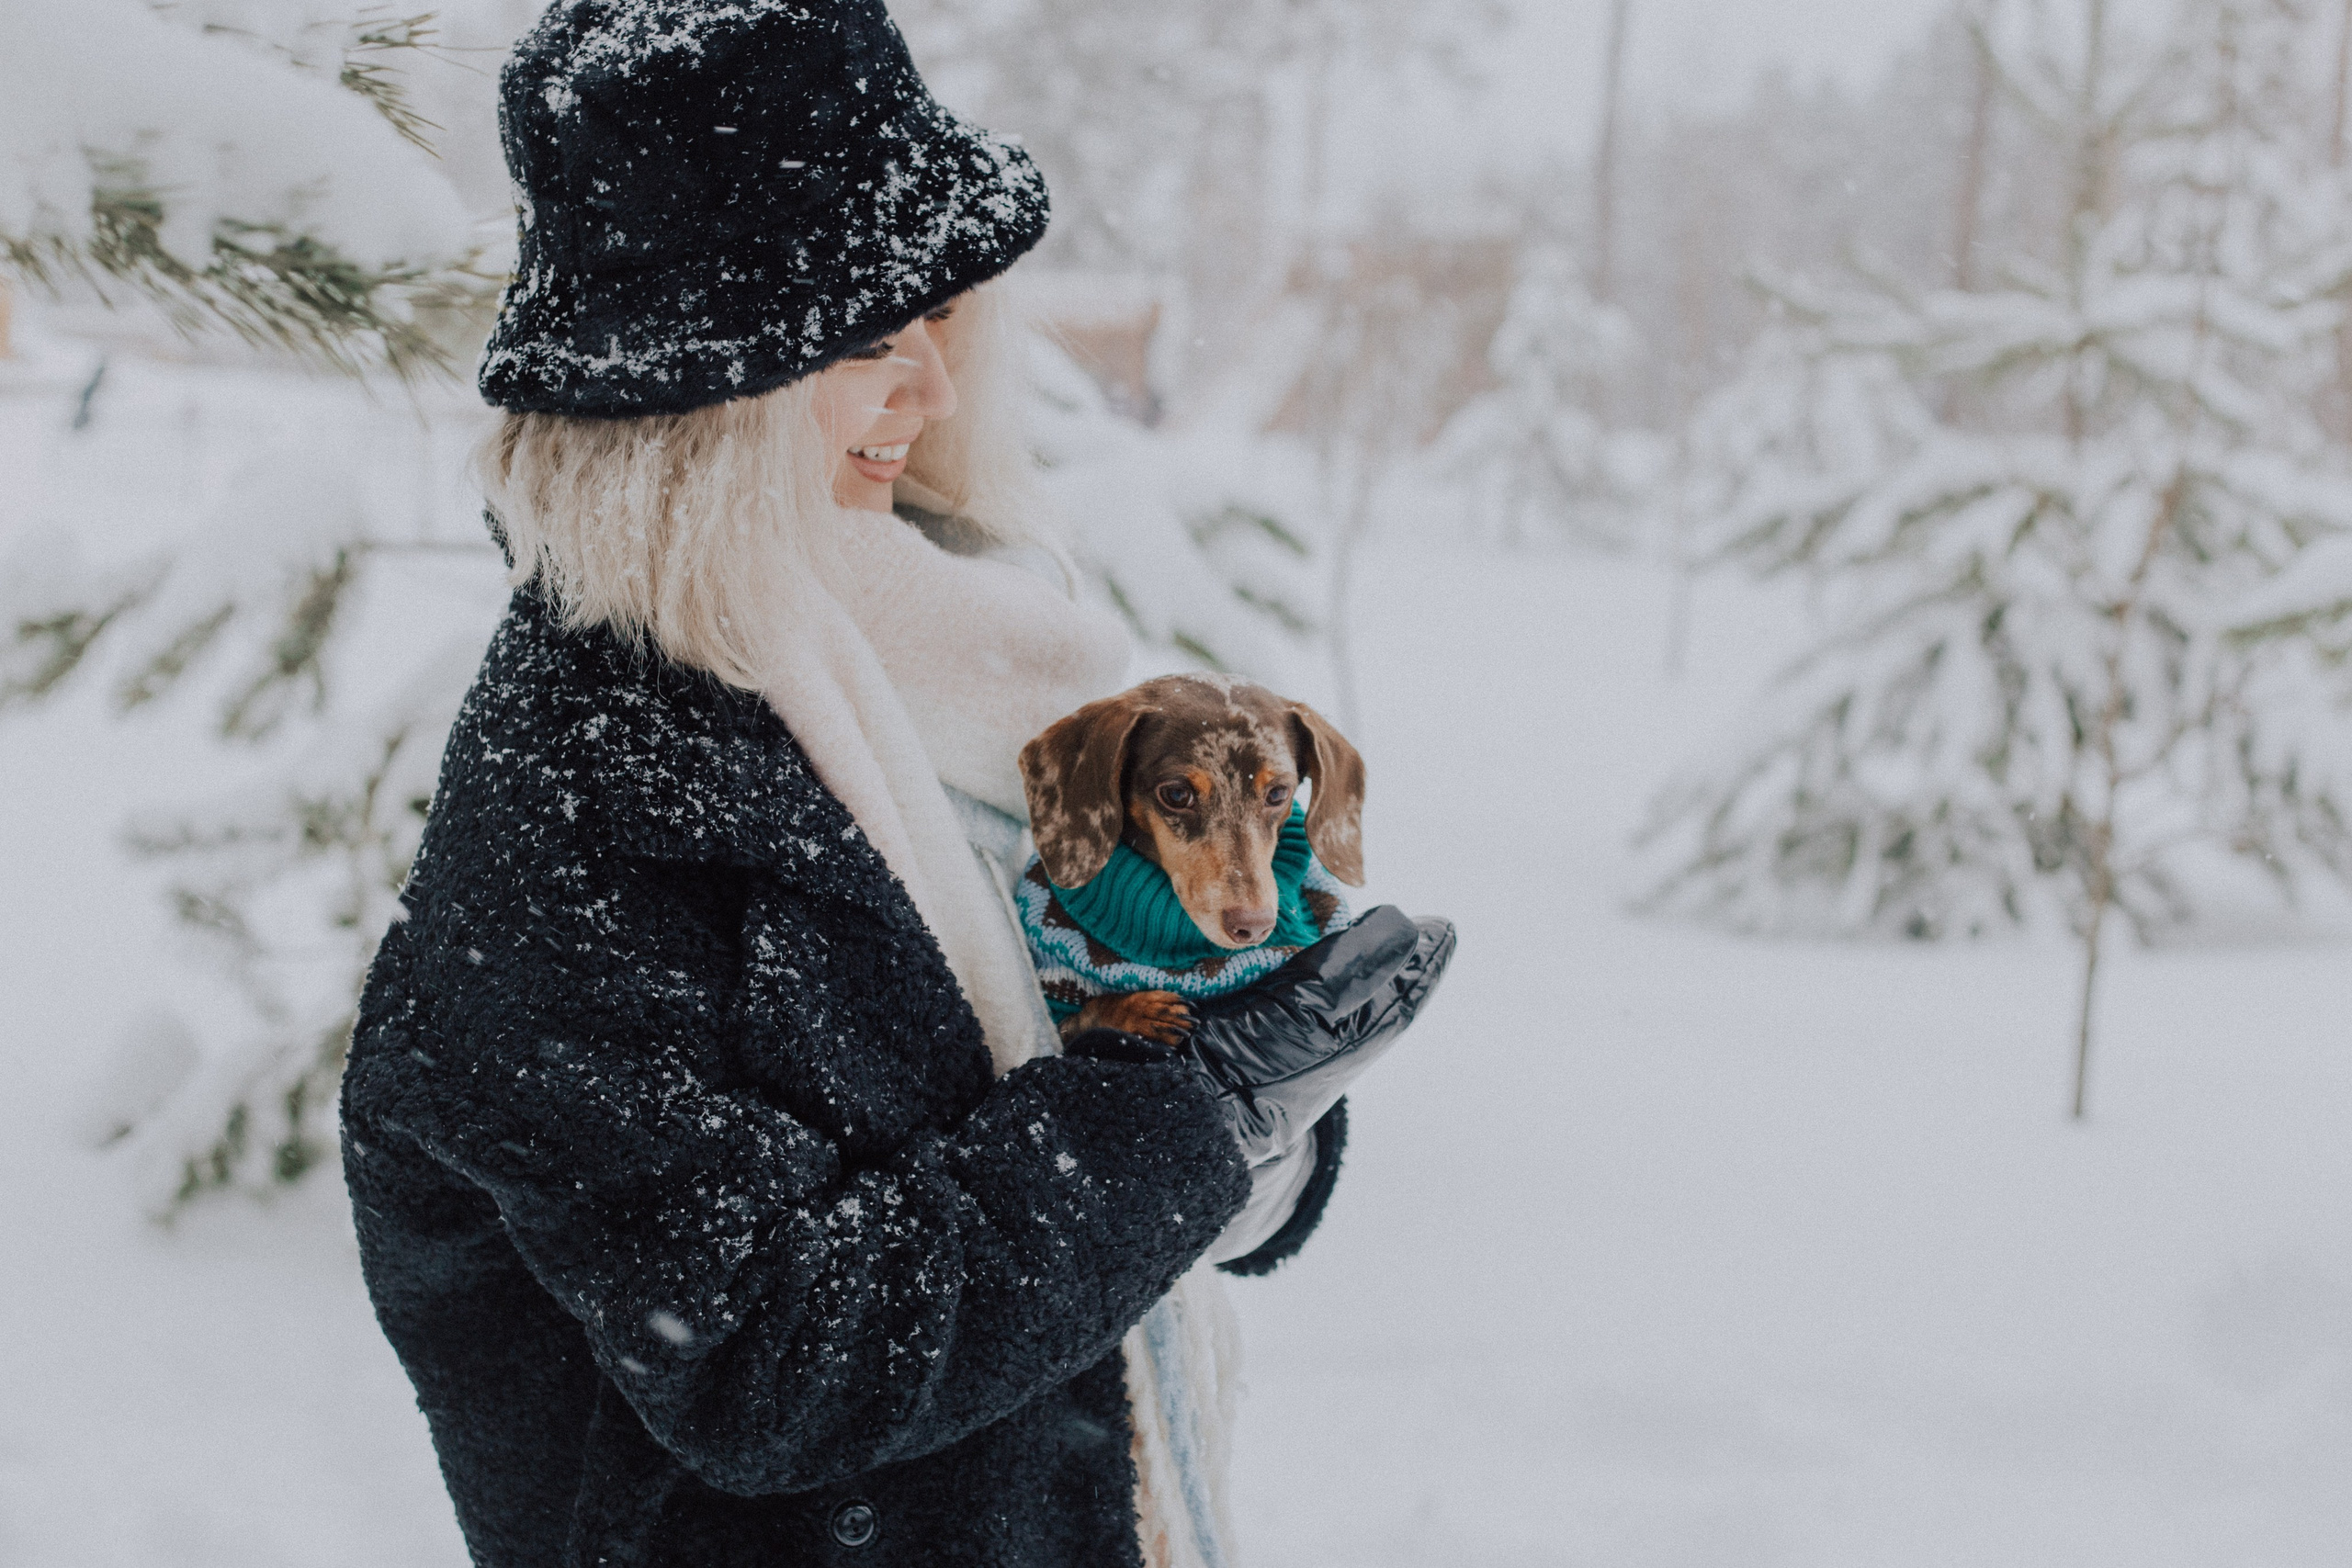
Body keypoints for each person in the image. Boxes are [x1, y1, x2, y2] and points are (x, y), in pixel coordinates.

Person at [340, 4, 1451, 1566]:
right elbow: (767, 1359)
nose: (929, 386)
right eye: (865, 336)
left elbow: (1076, 1090)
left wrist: (1248, 1088)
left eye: (935, 316)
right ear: (704, 383)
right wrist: (1189, 1113)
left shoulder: (950, 657)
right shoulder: (585, 802)